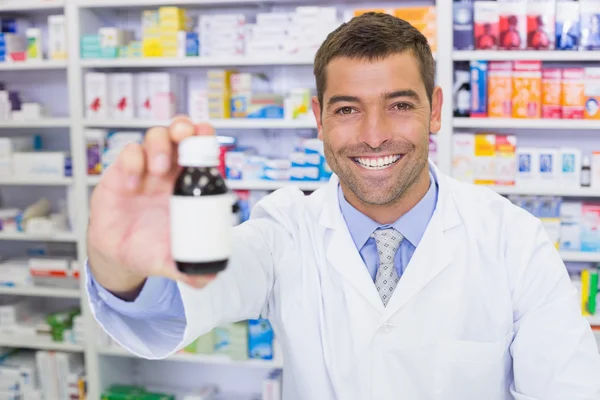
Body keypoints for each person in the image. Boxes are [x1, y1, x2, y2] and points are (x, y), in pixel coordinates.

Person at [87, 13, 600, 400]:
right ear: (318, 117)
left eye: (399, 105)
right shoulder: (284, 229)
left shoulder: (512, 238)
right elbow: (189, 295)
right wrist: (122, 268)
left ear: (435, 110)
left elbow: (569, 385)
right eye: (348, 109)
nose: (374, 136)